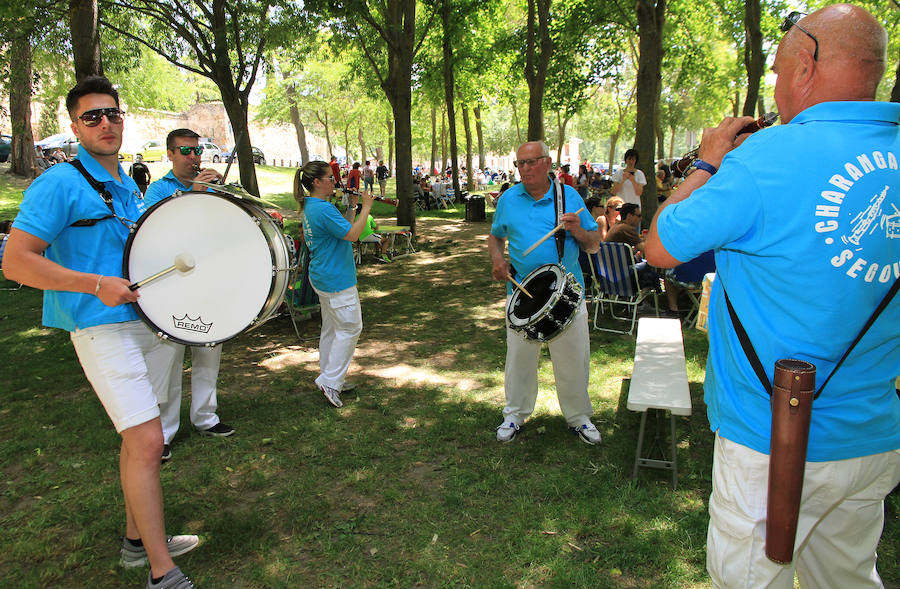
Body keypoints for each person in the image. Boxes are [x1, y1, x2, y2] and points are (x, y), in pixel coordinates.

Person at [644, 6, 900, 587]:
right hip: (872, 431)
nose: (777, 90)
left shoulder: (766, 157)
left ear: (806, 65)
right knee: (848, 576)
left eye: (779, 74)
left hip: (770, 437)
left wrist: (710, 159)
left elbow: (659, 245)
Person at [2, 76, 198, 589]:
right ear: (74, 127)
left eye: (112, 113)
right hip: (99, 329)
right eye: (92, 117)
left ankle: (138, 544)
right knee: (150, 440)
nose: (105, 123)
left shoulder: (128, 185)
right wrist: (94, 284)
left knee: (140, 444)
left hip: (145, 325)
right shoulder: (60, 183)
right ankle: (162, 572)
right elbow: (15, 262)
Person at [488, 141, 602, 445]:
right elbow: (496, 237)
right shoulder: (508, 200)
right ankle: (514, 415)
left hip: (567, 293)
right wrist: (498, 260)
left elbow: (593, 244)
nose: (524, 169)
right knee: (519, 362)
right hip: (523, 292)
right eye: (519, 164)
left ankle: (579, 418)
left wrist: (577, 229)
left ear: (547, 162)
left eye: (530, 162)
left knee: (573, 361)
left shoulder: (569, 197)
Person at [144, 128, 236, 463]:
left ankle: (206, 417)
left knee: (209, 350)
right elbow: (158, 236)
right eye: (185, 151)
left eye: (197, 150)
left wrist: (218, 197)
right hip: (173, 288)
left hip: (208, 283)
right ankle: (163, 433)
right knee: (167, 361)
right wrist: (194, 196)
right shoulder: (158, 191)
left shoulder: (210, 189)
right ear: (170, 154)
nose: (193, 157)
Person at [295, 161, 375, 408]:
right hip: (336, 278)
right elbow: (353, 235)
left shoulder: (313, 206)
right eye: (330, 178)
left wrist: (352, 208)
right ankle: (330, 381)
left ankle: (332, 375)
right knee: (351, 327)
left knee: (331, 328)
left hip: (323, 275)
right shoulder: (322, 209)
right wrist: (366, 208)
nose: (335, 182)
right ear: (317, 182)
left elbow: (343, 229)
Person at [604, 203, 658, 289]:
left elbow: (624, 252)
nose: (641, 219)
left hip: (609, 273)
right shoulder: (626, 228)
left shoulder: (616, 227)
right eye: (638, 215)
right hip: (623, 273)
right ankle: (655, 293)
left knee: (639, 259)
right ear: (629, 216)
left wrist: (637, 247)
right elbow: (646, 250)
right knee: (651, 265)